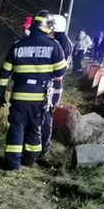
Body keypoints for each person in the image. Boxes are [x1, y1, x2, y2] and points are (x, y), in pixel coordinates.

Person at [0, 10, 67, 170]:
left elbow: (5, 71)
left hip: (19, 97)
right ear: (48, 27)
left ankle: (13, 165)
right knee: (34, 129)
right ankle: (28, 161)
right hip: (39, 99)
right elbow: (60, 72)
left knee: (16, 128)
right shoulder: (54, 46)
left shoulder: (17, 46)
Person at [39, 14, 73, 159]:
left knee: (47, 114)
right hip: (54, 84)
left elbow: (58, 71)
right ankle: (42, 145)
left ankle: (43, 147)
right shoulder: (62, 41)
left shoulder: (61, 44)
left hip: (53, 84)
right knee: (46, 114)